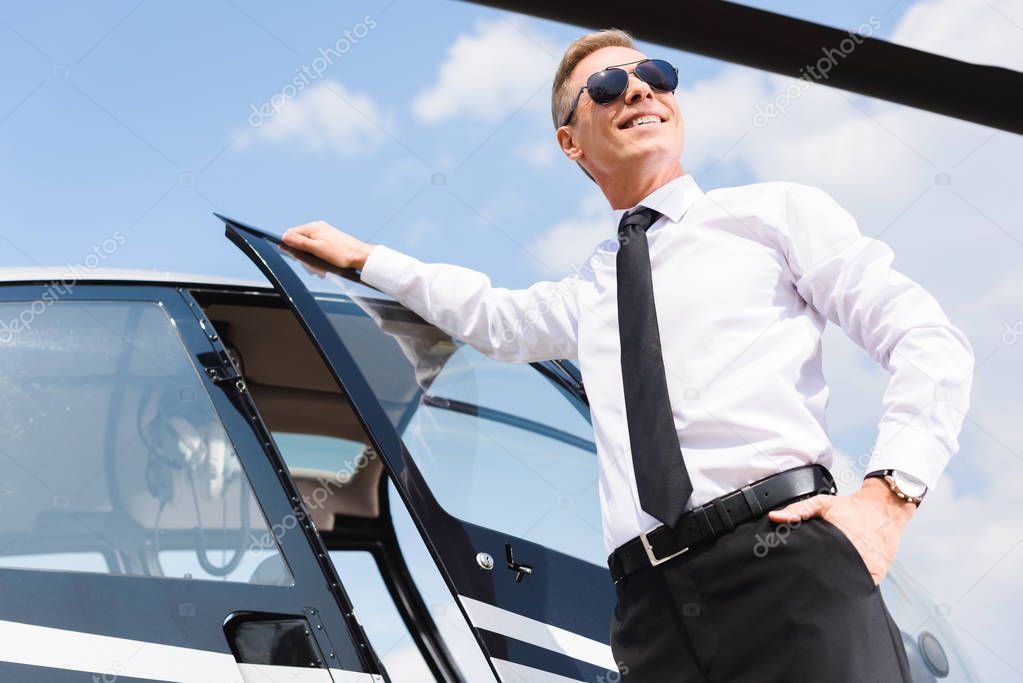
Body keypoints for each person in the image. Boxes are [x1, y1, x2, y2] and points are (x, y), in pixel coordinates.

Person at [281, 27, 974, 682]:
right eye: (608, 85)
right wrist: (366, 259)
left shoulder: (773, 215)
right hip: (650, 611)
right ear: (570, 141)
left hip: (788, 568)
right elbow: (492, 316)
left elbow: (926, 338)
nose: (639, 90)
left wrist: (888, 498)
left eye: (656, 76)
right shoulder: (590, 289)